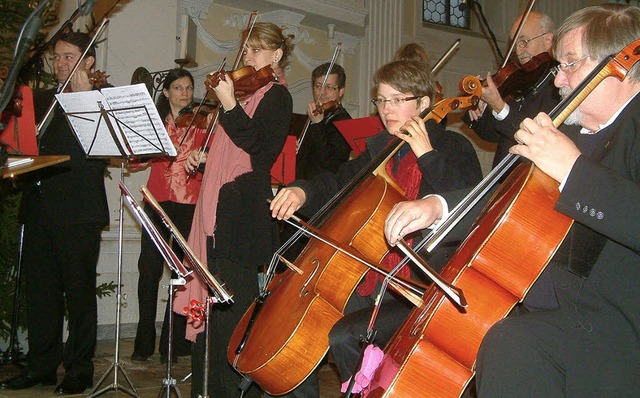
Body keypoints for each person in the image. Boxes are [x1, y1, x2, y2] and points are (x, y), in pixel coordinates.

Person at [385, 5, 640, 396]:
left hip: (614, 319)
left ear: (619, 64)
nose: (559, 81)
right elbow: (505, 197)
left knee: (511, 346)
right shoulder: (576, 132)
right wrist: (437, 206)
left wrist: (573, 169)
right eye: (558, 67)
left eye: (571, 63)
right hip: (544, 304)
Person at [270, 59, 482, 396]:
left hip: (423, 287)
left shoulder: (453, 147)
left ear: (424, 103)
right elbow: (339, 181)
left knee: (345, 335)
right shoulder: (381, 149)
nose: (387, 109)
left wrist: (425, 153)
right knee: (301, 325)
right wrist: (302, 190)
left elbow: (469, 207)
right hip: (374, 277)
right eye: (382, 100)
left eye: (398, 99)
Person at [174, 22, 294, 397]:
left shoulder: (277, 97)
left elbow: (259, 151)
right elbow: (232, 156)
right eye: (247, 51)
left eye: (257, 50)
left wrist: (228, 104)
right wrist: (206, 158)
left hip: (241, 221)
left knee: (231, 322)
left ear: (276, 55)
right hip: (217, 216)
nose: (249, 58)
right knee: (211, 319)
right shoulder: (243, 98)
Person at [0, 32, 108, 395]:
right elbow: (24, 148)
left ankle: (79, 369)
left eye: (68, 56)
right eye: (57, 58)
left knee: (78, 295)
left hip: (78, 211)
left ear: (88, 61)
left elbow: (100, 153)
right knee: (41, 293)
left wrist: (82, 99)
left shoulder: (100, 100)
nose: (60, 63)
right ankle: (42, 365)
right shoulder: (41, 100)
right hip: (39, 208)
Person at [129, 69, 206, 364]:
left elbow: (209, 160)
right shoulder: (154, 123)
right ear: (166, 92)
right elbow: (136, 161)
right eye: (178, 87)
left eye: (188, 87)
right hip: (157, 200)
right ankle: (143, 341)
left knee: (181, 276)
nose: (184, 93)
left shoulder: (201, 123)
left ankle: (172, 344)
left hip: (188, 203)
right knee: (148, 269)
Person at [467, 11, 560, 167]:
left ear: (548, 40)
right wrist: (481, 109)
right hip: (504, 180)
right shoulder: (521, 81)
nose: (518, 50)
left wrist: (500, 107)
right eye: (515, 43)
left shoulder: (558, 85)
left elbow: (539, 138)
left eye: (524, 41)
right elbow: (491, 134)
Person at [295, 62, 352, 180]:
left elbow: (330, 165)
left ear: (341, 91)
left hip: (322, 191)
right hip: (299, 185)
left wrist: (318, 124)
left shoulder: (345, 122)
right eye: (318, 86)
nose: (323, 92)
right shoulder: (313, 115)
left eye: (329, 87)